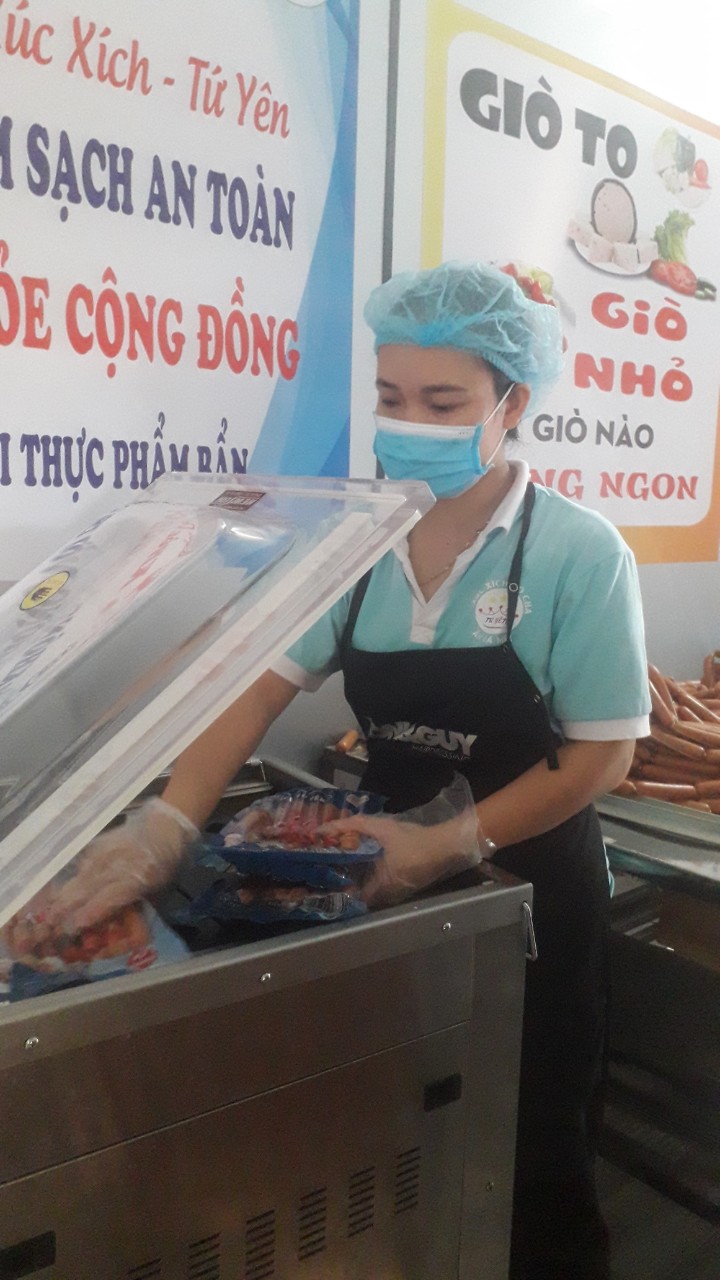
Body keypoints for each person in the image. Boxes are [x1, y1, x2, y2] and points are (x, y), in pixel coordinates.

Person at [48, 261, 650, 1279]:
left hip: (531, 891)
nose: (408, 423)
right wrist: (169, 823)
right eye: (390, 396)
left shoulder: (577, 554)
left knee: (535, 1140)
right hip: (376, 882)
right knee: (408, 1127)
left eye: (443, 403)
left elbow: (603, 753)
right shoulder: (364, 542)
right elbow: (253, 691)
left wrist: (454, 839)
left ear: (512, 404)